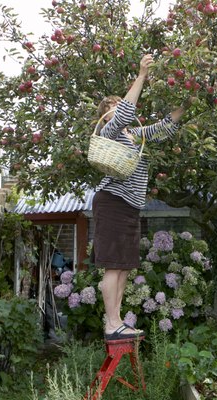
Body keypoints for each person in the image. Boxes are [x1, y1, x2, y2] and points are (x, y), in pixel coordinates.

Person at [93, 54, 189, 340]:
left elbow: (163, 128)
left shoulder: (135, 135)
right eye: (111, 106)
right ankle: (111, 323)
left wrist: (185, 104)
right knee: (113, 264)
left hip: (129, 206)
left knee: (123, 265)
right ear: (107, 114)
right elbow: (124, 111)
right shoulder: (108, 130)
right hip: (112, 201)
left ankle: (117, 320)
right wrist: (142, 75)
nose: (117, 109)